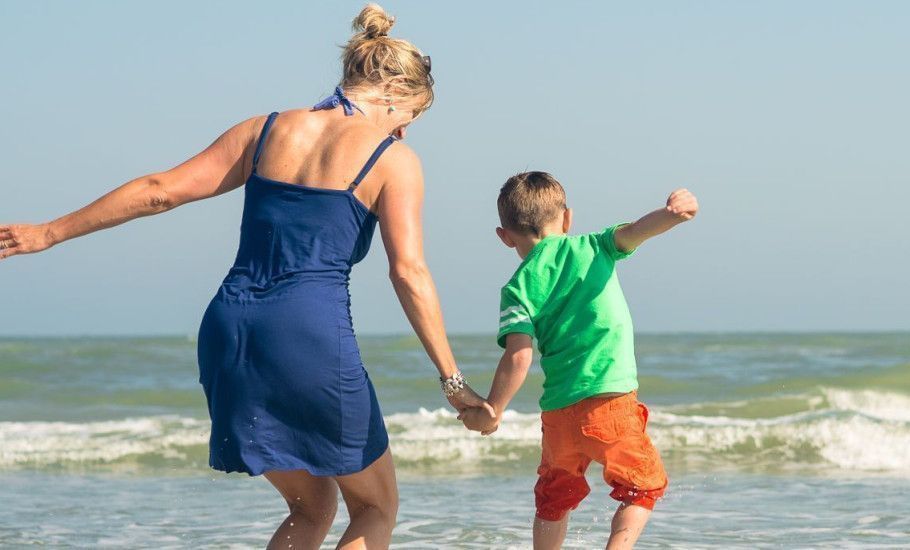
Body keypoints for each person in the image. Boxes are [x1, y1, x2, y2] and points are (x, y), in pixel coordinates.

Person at [0, 4, 490, 548]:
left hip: (229, 329)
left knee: (312, 505)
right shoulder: (394, 161)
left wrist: (49, 232)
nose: (403, 132)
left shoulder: (264, 130)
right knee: (375, 507)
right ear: (395, 94)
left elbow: (161, 189)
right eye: (409, 119)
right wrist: (453, 380)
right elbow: (409, 271)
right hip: (308, 334)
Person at [457, 171, 697, 550]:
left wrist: (494, 408)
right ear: (567, 218)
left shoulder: (516, 289)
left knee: (554, 500)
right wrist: (671, 214)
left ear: (505, 237)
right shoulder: (594, 246)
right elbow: (637, 230)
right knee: (642, 486)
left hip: (558, 416)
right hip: (610, 403)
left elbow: (518, 356)